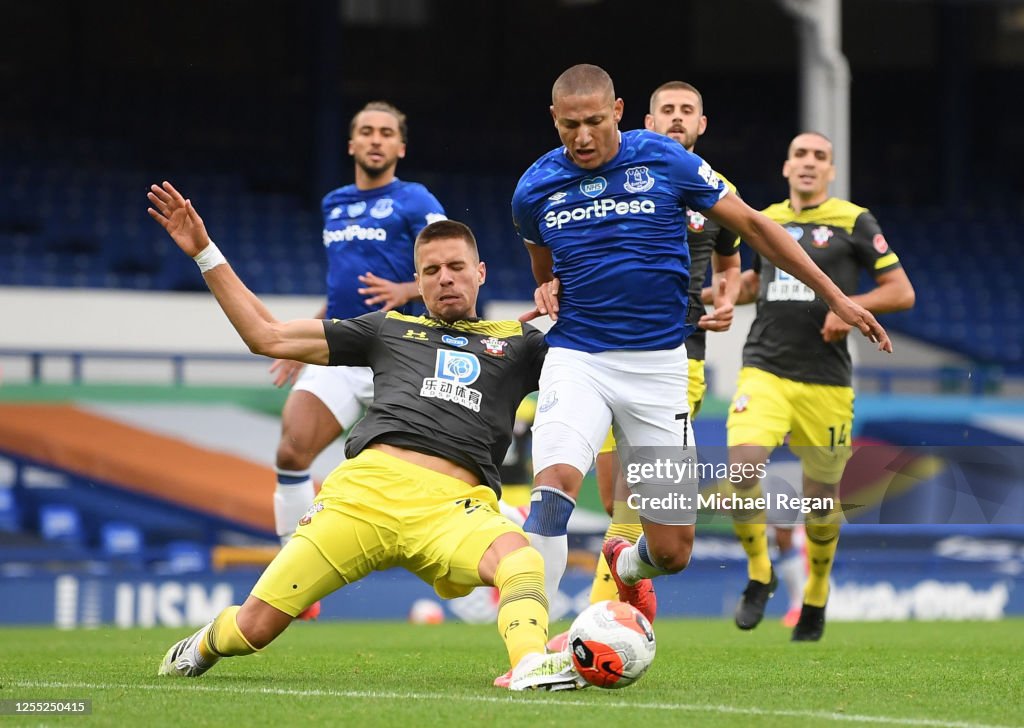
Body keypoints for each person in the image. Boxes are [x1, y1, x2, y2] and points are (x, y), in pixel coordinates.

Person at [147, 182, 585, 691]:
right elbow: (266, 336)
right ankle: (198, 647)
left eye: (457, 267)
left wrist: (565, 296)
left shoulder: (520, 342)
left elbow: (592, 366)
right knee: (254, 629)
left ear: (480, 272)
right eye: (431, 271)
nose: (445, 279)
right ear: (417, 283)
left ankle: (530, 666)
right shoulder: (387, 328)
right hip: (362, 496)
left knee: (521, 559)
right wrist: (204, 250)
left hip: (454, 509)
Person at [510, 64, 892, 639]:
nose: (582, 137)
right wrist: (549, 287)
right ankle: (530, 648)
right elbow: (546, 267)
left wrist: (835, 295)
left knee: (671, 551)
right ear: (553, 120)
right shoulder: (533, 188)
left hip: (662, 370)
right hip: (578, 358)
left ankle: (626, 563)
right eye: (569, 126)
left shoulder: (667, 162)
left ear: (617, 112)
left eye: (593, 122)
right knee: (555, 486)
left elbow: (756, 229)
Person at [720, 131, 915, 641]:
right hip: (764, 369)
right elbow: (754, 285)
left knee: (820, 500)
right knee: (741, 468)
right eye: (800, 155)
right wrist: (711, 297)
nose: (809, 163)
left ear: (831, 171)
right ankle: (760, 571)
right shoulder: (767, 219)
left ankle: (816, 591)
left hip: (826, 383)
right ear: (786, 167)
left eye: (819, 157)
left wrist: (852, 309)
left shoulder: (854, 220)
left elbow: (901, 291)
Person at [269, 102, 446, 621]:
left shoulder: (415, 200)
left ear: (400, 148)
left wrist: (407, 287)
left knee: (438, 474)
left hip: (402, 351)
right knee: (291, 449)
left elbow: (454, 262)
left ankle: (502, 529)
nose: (375, 140)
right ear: (350, 144)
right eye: (365, 132)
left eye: (386, 133)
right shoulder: (335, 203)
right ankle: (292, 577)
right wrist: (307, 340)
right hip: (343, 347)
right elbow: (340, 282)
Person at [583, 81, 743, 612]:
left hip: (678, 359)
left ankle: (599, 622)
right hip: (601, 354)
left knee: (631, 494)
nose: (677, 118)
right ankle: (632, 587)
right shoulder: (617, 180)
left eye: (687, 111)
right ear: (647, 123)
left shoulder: (718, 189)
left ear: (702, 124)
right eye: (667, 111)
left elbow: (730, 264)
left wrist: (725, 299)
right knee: (614, 502)